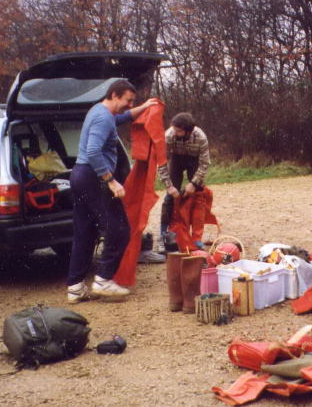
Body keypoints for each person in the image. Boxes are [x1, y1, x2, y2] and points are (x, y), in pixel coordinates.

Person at [66, 79, 158, 303]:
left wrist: (143, 107)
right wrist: (111, 180)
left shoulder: (99, 111)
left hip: (79, 175)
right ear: (114, 95)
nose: (130, 105)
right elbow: (93, 151)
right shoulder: (103, 117)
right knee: (119, 229)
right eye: (128, 100)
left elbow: (122, 117)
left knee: (84, 232)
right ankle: (103, 280)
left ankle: (75, 287)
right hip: (94, 178)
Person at [156, 112, 211, 252]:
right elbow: (161, 162)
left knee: (198, 196)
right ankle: (163, 236)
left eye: (179, 131)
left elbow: (204, 164)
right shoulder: (168, 136)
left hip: (194, 160)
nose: (175, 132)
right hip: (176, 158)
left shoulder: (201, 137)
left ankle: (197, 239)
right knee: (169, 197)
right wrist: (169, 186)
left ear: (189, 131)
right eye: (174, 129)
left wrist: (194, 183)